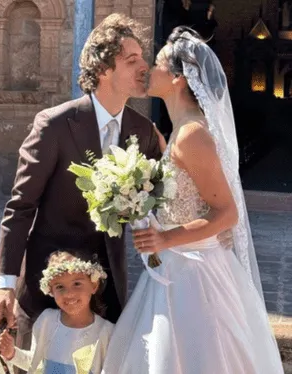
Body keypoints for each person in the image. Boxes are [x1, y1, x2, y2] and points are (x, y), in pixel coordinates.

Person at [101, 27, 284, 374]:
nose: (148, 71)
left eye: (155, 64)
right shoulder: (178, 131)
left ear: (177, 80)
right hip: (173, 265)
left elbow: (227, 213)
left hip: (195, 276)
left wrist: (165, 237)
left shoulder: (193, 135)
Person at [0, 15, 165, 372]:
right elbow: (20, 207)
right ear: (103, 68)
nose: (143, 67)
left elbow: (156, 201)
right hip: (50, 285)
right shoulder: (54, 124)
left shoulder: (144, 131)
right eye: (131, 60)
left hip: (107, 287)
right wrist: (5, 285)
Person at [0, 250, 114, 374]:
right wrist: (12, 353)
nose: (69, 293)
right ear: (51, 291)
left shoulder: (106, 332)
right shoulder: (47, 321)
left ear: (94, 285)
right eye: (60, 287)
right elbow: (36, 363)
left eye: (77, 284)